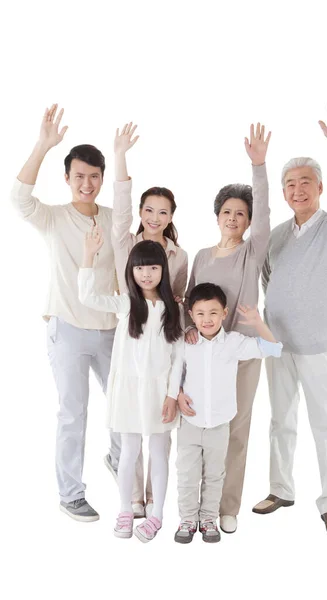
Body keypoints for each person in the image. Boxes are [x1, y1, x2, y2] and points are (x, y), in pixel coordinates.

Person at [253, 100, 327, 538]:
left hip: (319, 346)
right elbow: (267, 278)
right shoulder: (279, 235)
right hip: (276, 345)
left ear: (319, 187)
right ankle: (280, 489)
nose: (297, 190)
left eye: (305, 183)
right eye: (290, 185)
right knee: (280, 420)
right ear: (284, 193)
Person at [10, 104, 120, 522]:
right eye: (79, 176)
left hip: (111, 329)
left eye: (94, 176)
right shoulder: (54, 218)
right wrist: (43, 144)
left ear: (102, 178)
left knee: (124, 406)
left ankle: (117, 458)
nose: (87, 183)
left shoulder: (113, 220)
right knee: (73, 412)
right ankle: (71, 493)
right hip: (68, 328)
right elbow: (19, 198)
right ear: (68, 178)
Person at [184, 123, 271, 534]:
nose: (233, 218)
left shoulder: (251, 255)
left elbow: (267, 218)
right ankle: (195, 508)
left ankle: (227, 506)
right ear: (217, 216)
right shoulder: (201, 255)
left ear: (248, 221)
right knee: (200, 429)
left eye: (241, 213)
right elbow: (189, 304)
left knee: (235, 429)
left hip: (243, 353)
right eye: (227, 212)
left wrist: (259, 167)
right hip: (202, 355)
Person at [79, 234, 183, 542]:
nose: (146, 273)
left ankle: (158, 515)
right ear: (131, 271)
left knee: (160, 452)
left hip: (160, 391)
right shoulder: (125, 304)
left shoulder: (172, 310)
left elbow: (178, 357)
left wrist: (171, 394)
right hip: (127, 389)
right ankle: (125, 509)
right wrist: (88, 256)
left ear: (163, 270)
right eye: (139, 268)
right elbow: (87, 297)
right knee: (129, 452)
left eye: (152, 267)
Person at [109, 123, 188, 519]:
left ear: (171, 216)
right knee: (129, 422)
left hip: (163, 346)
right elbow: (119, 206)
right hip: (130, 335)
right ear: (141, 212)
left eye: (163, 212)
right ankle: (134, 500)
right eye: (149, 210)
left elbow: (179, 303)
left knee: (158, 431)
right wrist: (121, 155)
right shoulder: (126, 243)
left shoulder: (178, 256)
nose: (155, 217)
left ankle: (156, 501)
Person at [175, 283, 282, 544]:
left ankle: (209, 518)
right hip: (189, 422)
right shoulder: (186, 342)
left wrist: (257, 322)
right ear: (191, 315)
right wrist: (178, 395)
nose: (206, 319)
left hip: (220, 423)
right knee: (187, 474)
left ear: (224, 313)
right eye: (200, 313)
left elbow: (274, 349)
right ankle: (188, 518)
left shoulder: (234, 343)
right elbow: (173, 373)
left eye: (213, 312)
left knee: (214, 474)